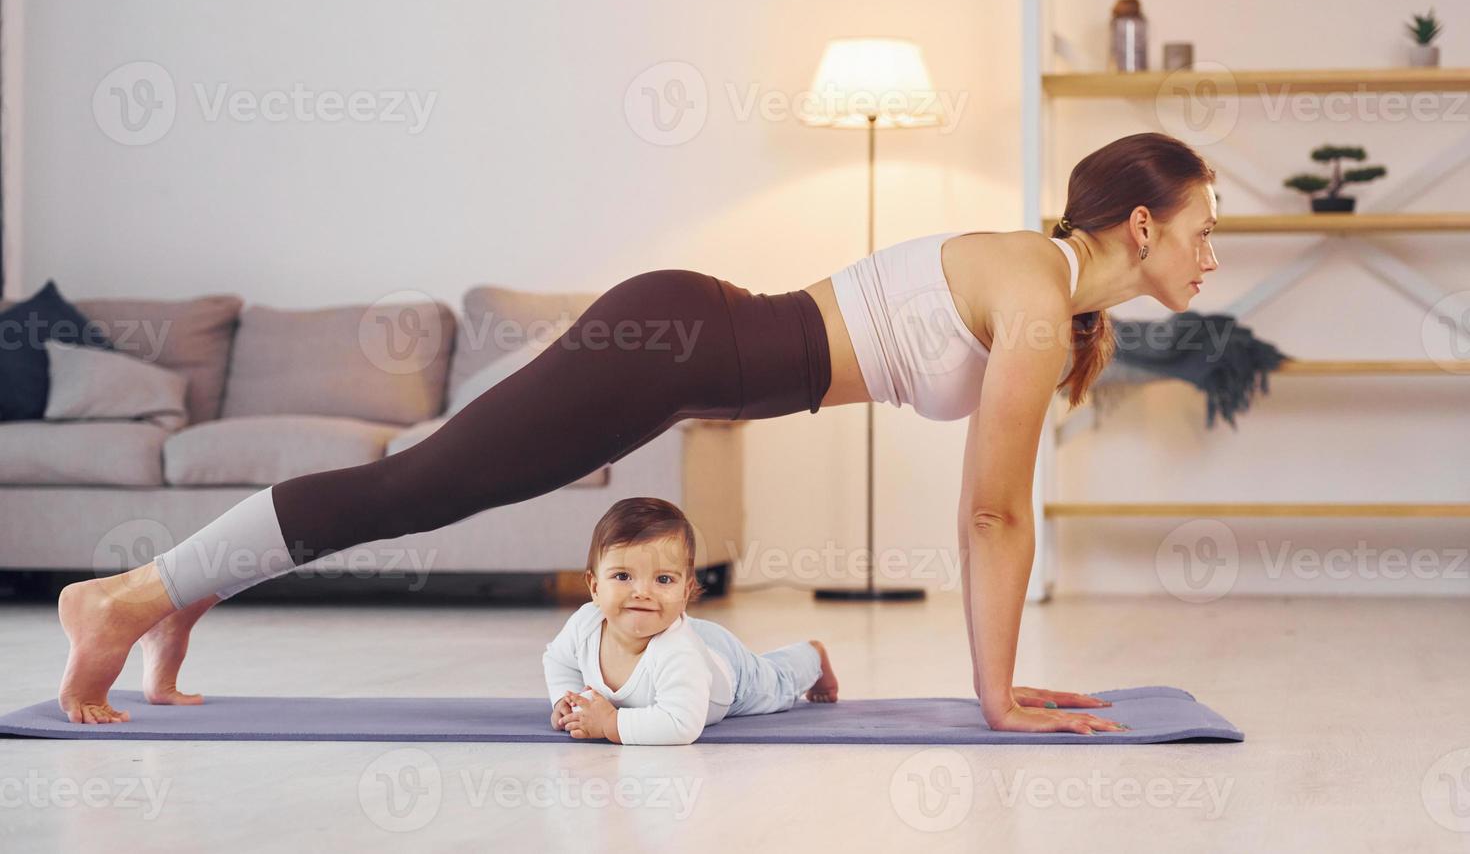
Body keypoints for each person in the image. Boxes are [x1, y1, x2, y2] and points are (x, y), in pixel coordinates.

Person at [56, 130, 1219, 734]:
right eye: (1202, 228)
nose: (1211, 254)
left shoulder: (1046, 297)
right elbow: (992, 509)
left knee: (426, 484)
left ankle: (185, 586)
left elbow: (992, 508)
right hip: (667, 340)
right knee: (421, 486)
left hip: (675, 348)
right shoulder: (1030, 290)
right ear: (1139, 223)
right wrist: (999, 695)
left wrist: (996, 686)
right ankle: (121, 597)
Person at [544, 497, 838, 745]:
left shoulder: (678, 653)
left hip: (728, 673)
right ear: (595, 587)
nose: (642, 592)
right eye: (623, 576)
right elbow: (558, 660)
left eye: (663, 579)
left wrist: (610, 724)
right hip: (685, 634)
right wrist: (566, 700)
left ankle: (813, 654)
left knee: (777, 683)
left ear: (685, 591)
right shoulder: (586, 624)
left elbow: (682, 723)